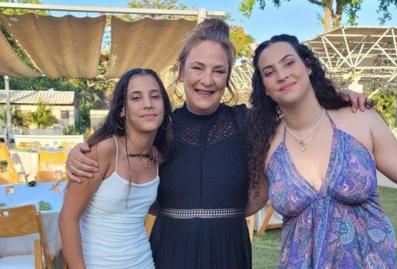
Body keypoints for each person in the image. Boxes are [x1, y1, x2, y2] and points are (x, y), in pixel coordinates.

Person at [64, 19, 370, 269]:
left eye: (218, 71)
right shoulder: (159, 126)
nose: (207, 80)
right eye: (197, 68)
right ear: (181, 71)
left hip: (229, 249)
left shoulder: (249, 122)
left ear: (227, 78)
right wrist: (77, 153)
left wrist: (337, 99)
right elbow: (118, 148)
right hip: (169, 250)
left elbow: (299, 111)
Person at [247, 34, 397, 268]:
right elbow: (247, 204)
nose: (282, 75)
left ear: (307, 66)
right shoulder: (266, 146)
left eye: (289, 63)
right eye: (269, 72)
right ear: (264, 88)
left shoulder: (359, 119)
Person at [59, 68, 173, 269]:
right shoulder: (104, 151)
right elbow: (67, 218)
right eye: (136, 98)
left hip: (143, 263)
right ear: (122, 109)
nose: (148, 104)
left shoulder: (157, 156)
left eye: (155, 96)